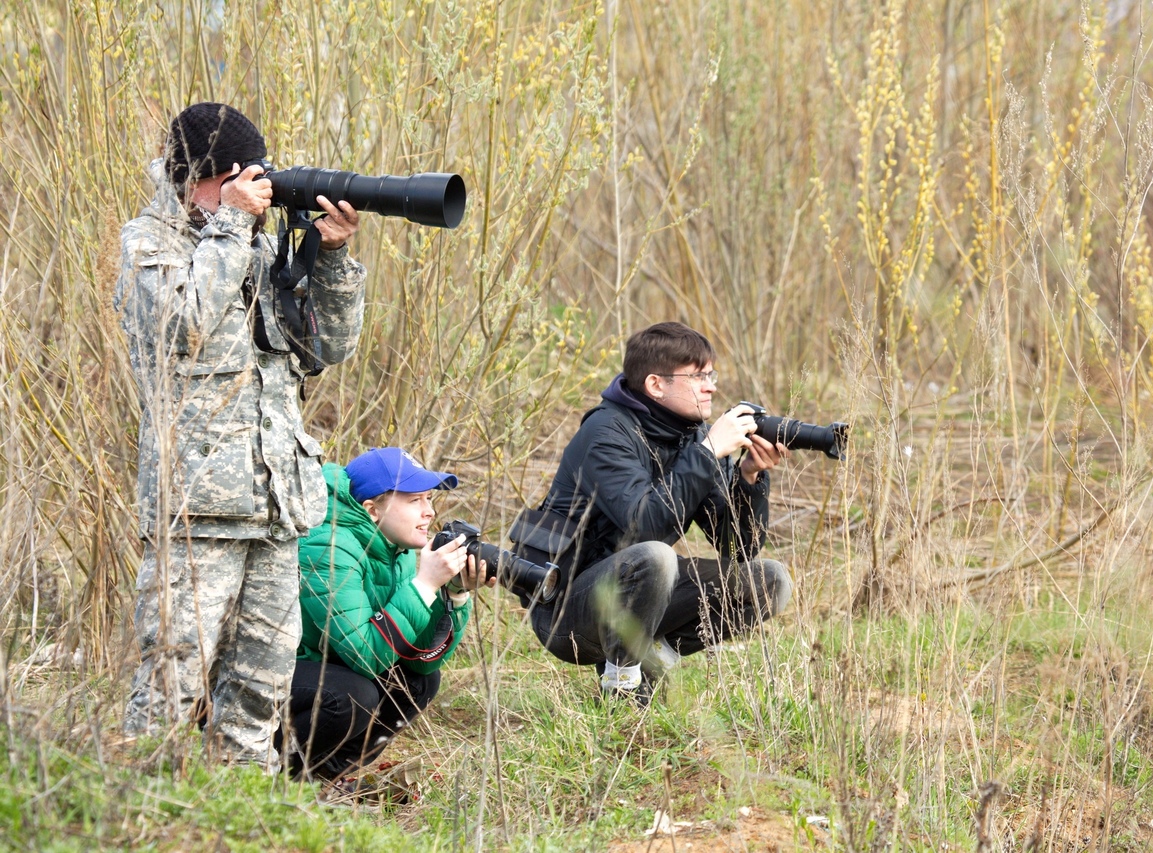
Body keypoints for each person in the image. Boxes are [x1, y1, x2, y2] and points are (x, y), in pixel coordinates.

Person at [115, 102, 365, 767]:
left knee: (260, 691)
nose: (244, 189)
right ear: (191, 176)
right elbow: (183, 326)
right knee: (170, 685)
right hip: (196, 515)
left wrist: (332, 260)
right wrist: (230, 224)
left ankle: (241, 811)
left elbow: (330, 347)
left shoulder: (260, 248)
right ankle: (146, 816)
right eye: (227, 177)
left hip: (275, 507)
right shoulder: (149, 241)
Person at [510, 321, 794, 703]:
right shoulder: (606, 433)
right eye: (697, 377)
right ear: (656, 385)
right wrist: (708, 454)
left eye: (711, 374)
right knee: (657, 556)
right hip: (567, 610)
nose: (711, 386)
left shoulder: (690, 436)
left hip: (642, 587)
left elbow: (738, 547)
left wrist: (748, 477)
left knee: (770, 581)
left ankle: (653, 661)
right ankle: (623, 688)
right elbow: (643, 526)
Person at [284, 447, 494, 780]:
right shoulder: (329, 545)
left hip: (329, 665)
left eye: (428, 499)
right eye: (415, 501)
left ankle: (322, 780)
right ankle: (274, 774)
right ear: (372, 510)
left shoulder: (393, 548)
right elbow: (365, 656)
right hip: (275, 672)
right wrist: (424, 585)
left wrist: (453, 595)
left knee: (419, 682)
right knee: (354, 695)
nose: (429, 512)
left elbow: (419, 660)